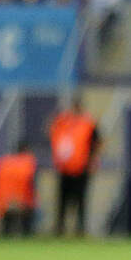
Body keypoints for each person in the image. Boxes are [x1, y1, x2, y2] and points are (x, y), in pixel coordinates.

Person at [49, 98, 101, 236]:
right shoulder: (63, 122)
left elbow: (97, 142)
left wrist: (93, 160)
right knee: (62, 200)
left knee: (81, 200)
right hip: (65, 167)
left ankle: (80, 229)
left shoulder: (88, 123)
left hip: (81, 167)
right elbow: (53, 134)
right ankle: (60, 228)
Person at [0, 141, 37, 236]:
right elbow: (29, 181)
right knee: (26, 224)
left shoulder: (4, 162)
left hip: (4, 200)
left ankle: (5, 236)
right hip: (22, 200)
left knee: (7, 227)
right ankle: (25, 235)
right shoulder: (27, 162)